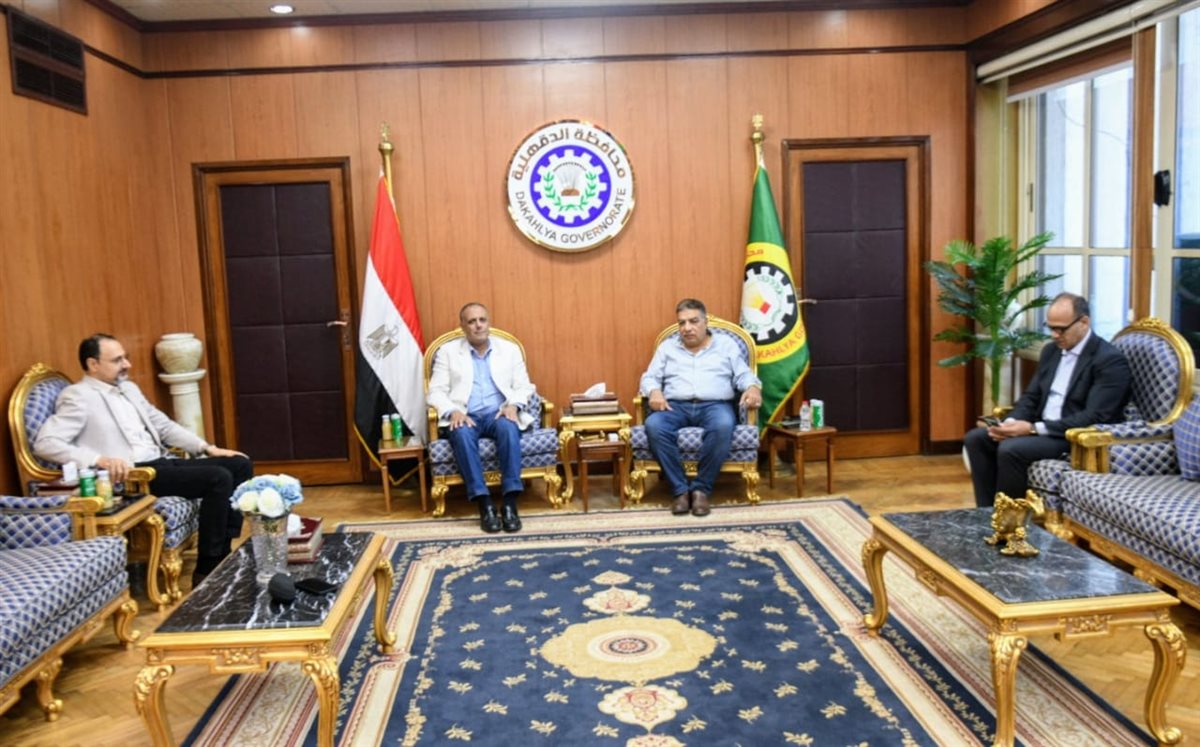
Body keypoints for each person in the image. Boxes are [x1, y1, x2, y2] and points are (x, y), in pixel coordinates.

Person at [34, 333, 253, 584]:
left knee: (240, 464)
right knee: (218, 478)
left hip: (162, 462)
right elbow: (46, 443)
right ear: (93, 364)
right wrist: (100, 459)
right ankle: (207, 568)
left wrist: (207, 447)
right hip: (134, 475)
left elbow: (163, 426)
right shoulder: (78, 396)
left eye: (125, 358)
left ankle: (223, 551)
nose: (127, 364)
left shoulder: (129, 388)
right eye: (117, 360)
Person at [965, 292, 1132, 508]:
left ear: (1084, 322)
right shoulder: (1051, 351)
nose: (1054, 335)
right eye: (1050, 327)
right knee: (976, 439)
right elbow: (1032, 397)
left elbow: (1095, 416)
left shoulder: (1108, 360)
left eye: (1061, 329)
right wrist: (1009, 424)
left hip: (1072, 437)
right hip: (1041, 428)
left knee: (1011, 449)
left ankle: (1011, 521)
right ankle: (986, 513)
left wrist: (1032, 429)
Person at [639, 298, 762, 517]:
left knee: (723, 425)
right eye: (682, 323)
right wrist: (654, 391)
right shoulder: (668, 347)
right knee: (654, 425)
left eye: (693, 321)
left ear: (706, 322)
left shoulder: (726, 345)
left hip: (715, 405)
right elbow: (650, 377)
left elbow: (743, 374)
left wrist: (752, 387)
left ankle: (701, 490)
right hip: (675, 406)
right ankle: (680, 491)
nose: (687, 328)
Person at [427, 303, 536, 533]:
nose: (478, 325)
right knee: (461, 432)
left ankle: (510, 503)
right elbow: (435, 391)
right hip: (465, 415)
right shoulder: (447, 352)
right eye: (472, 321)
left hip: (499, 413)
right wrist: (453, 411)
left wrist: (513, 406)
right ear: (463, 327)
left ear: (488, 322)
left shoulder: (509, 349)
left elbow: (524, 386)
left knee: (509, 427)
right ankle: (484, 504)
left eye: (482, 320)